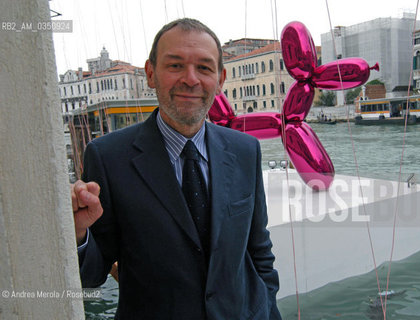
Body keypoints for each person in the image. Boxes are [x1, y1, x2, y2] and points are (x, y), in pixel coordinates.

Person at [72, 18, 281, 319]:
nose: (191, 79)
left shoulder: (245, 150)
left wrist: (268, 307)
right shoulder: (107, 157)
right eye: (175, 66)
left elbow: (258, 249)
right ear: (150, 74)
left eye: (205, 68)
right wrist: (78, 233)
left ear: (220, 79)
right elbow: (93, 273)